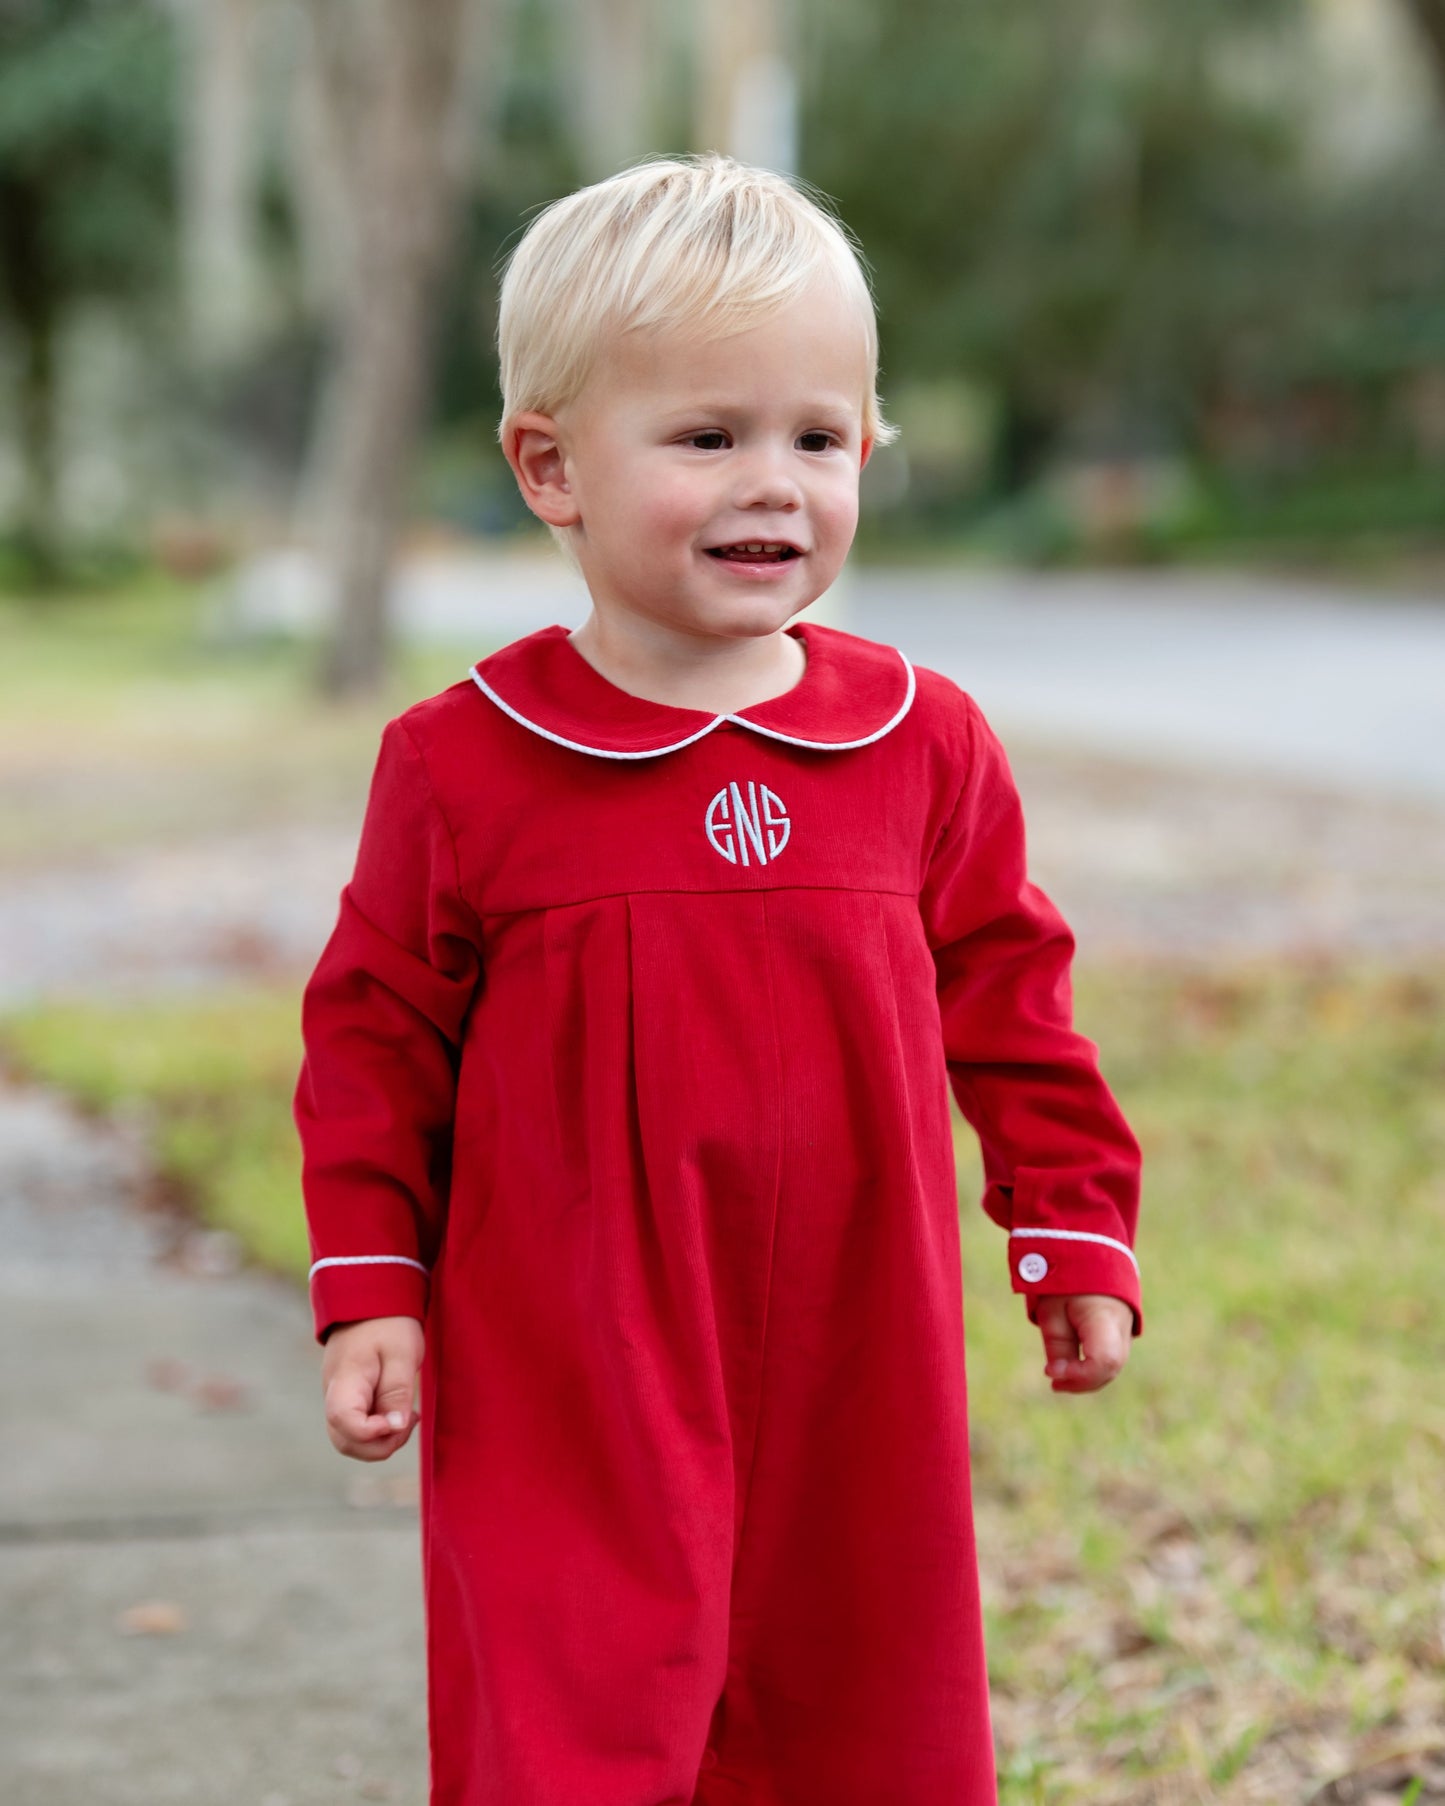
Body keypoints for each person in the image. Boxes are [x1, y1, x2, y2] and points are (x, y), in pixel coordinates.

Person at [293, 152, 1143, 1806]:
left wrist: (1069, 1216)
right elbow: (374, 1034)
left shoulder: (921, 739)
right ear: (550, 468)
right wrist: (374, 1285)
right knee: (570, 1696)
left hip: (856, 1332)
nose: (777, 484)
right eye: (707, 438)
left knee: (856, 1682)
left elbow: (1011, 995)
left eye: (818, 437)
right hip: (570, 1346)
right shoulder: (466, 762)